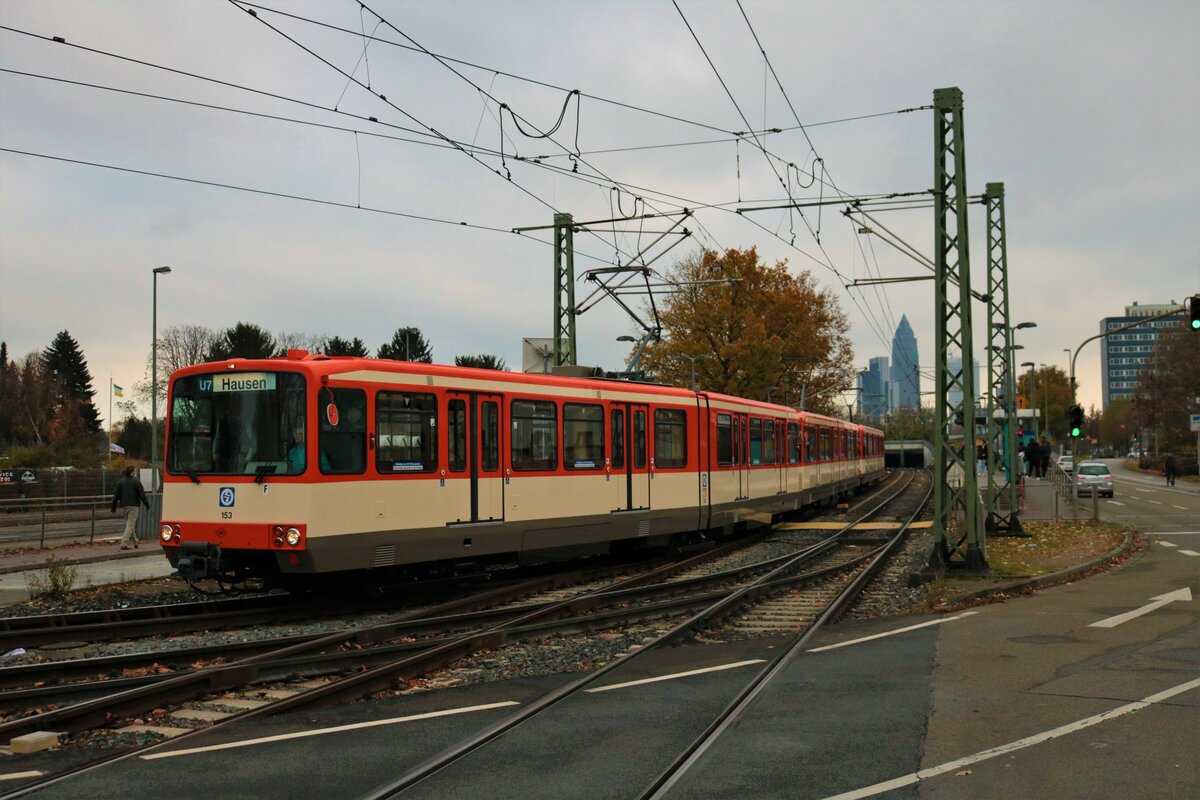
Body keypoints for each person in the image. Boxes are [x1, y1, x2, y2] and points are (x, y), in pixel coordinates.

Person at [110, 466, 150, 550]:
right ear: (132, 472)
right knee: (130, 524)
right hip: (134, 506)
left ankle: (135, 541)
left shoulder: (120, 482)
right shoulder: (136, 481)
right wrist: (147, 504)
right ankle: (124, 543)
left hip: (124, 506)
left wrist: (113, 508)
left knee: (130, 524)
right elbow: (142, 494)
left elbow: (115, 496)